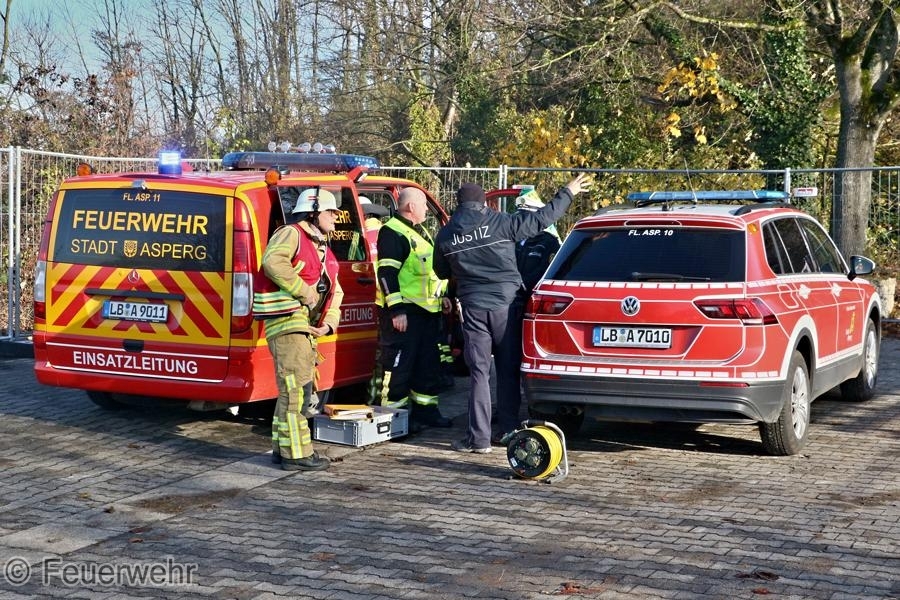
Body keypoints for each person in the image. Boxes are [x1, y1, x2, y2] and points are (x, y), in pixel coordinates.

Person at [433, 174, 592, 453]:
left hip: (473, 308)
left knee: (479, 373)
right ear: (483, 203)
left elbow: (441, 271)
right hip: (506, 305)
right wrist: (567, 192)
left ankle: (478, 439)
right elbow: (542, 219)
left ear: (458, 205)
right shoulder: (499, 223)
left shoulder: (446, 235)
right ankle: (507, 429)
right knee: (507, 370)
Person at [253, 188, 344, 471]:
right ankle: (297, 455)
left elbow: (335, 291)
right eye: (330, 212)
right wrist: (304, 292)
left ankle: (283, 449)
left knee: (290, 392)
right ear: (313, 212)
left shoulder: (323, 249)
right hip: (287, 322)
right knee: (298, 393)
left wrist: (329, 322)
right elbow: (273, 262)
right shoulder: (291, 233)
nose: (335, 218)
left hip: (304, 327)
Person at [369, 187, 453, 430]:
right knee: (399, 368)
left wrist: (442, 296)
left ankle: (426, 412)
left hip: (426, 312)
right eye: (424, 205)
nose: (427, 209)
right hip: (404, 313)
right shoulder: (392, 232)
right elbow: (386, 273)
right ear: (411, 207)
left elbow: (426, 273)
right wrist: (396, 310)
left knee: (427, 365)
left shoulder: (417, 232)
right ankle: (393, 420)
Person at [513, 187, 562, 294]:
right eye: (520, 215)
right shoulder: (513, 239)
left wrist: (522, 285)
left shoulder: (548, 242)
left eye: (526, 216)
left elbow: (546, 270)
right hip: (508, 296)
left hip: (532, 296)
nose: (522, 220)